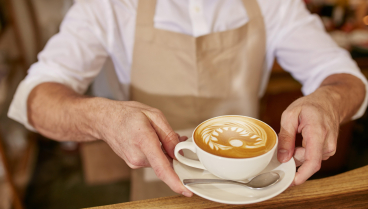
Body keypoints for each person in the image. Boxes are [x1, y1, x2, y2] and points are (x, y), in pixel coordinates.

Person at [8, 0, 367, 198]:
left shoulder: (273, 5)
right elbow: (34, 97)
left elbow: (345, 77)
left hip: (250, 182)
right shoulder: (108, 6)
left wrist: (329, 101)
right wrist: (101, 117)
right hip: (157, 187)